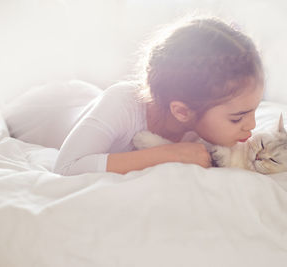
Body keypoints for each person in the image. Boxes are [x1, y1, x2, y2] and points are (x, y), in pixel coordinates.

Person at [53, 16, 264, 175]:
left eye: (255, 109)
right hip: (55, 112)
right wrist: (173, 154)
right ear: (182, 111)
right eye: (237, 118)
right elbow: (66, 166)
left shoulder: (205, 130)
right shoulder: (122, 104)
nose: (252, 125)